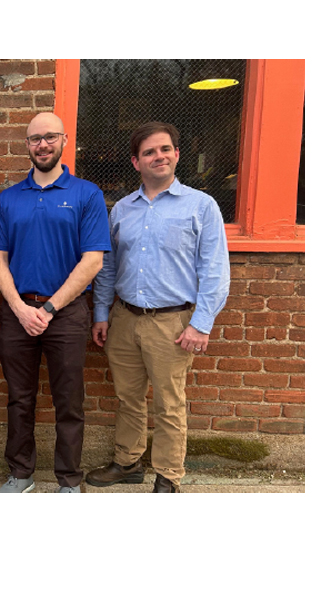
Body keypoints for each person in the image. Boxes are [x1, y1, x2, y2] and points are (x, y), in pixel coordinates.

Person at [86, 121, 230, 493]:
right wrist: (101, 314)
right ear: (136, 162)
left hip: (173, 322)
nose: (159, 156)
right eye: (149, 152)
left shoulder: (201, 206)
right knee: (128, 397)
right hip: (124, 318)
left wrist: (201, 324)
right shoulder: (122, 210)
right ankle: (128, 462)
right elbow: (108, 266)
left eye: (165, 149)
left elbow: (214, 268)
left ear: (177, 154)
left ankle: (168, 475)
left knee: (169, 402)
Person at [0, 112, 111, 493]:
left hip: (66, 314)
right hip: (17, 311)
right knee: (19, 399)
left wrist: (49, 308)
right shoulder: (9, 199)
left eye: (50, 137)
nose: (42, 145)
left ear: (64, 140)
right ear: (27, 145)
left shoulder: (86, 194)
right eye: (35, 139)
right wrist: (21, 308)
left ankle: (69, 481)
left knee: (69, 401)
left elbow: (93, 261)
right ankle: (21, 474)